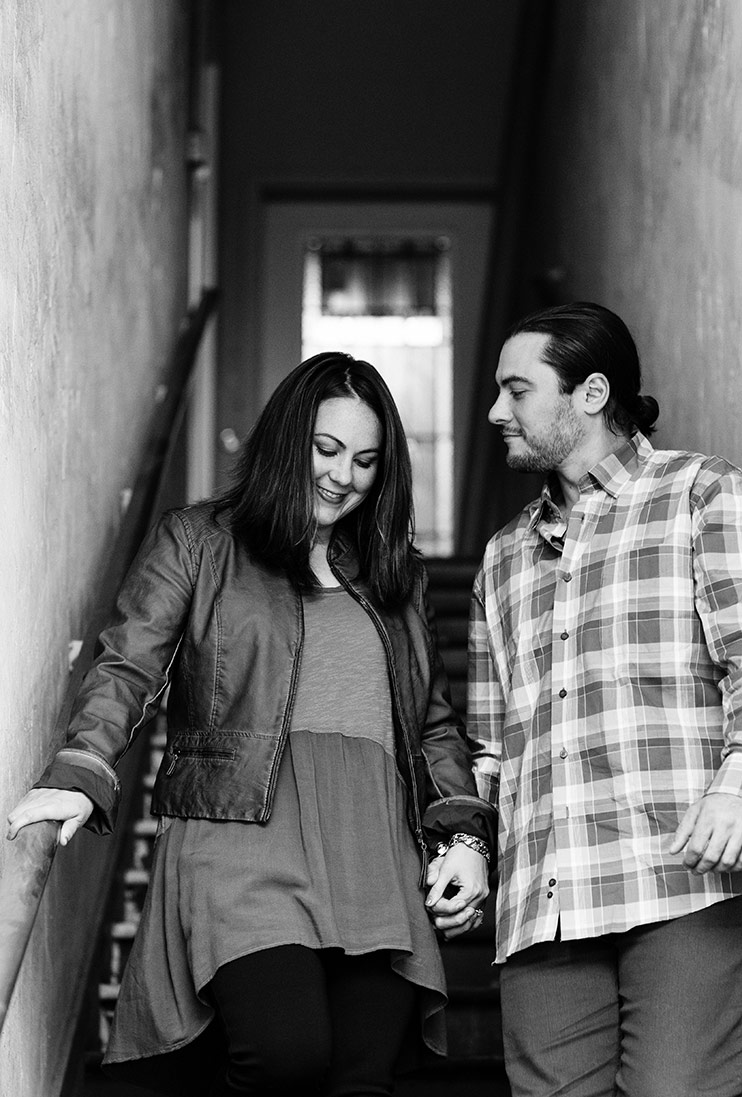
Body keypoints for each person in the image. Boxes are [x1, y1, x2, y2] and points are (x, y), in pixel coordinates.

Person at [7, 352, 495, 1097]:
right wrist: (82, 769)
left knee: (362, 1077)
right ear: (289, 439)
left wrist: (463, 836)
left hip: (374, 844)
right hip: (239, 830)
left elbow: (432, 725)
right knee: (284, 1052)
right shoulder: (199, 540)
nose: (343, 475)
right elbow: (128, 666)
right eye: (326, 449)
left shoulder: (396, 573)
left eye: (366, 461)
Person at [462, 302, 742, 1096]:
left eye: (517, 390)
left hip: (680, 878)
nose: (496, 411)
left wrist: (737, 781)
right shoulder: (502, 557)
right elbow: (489, 744)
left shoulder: (701, 494)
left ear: (590, 393)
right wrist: (470, 842)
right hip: (542, 901)